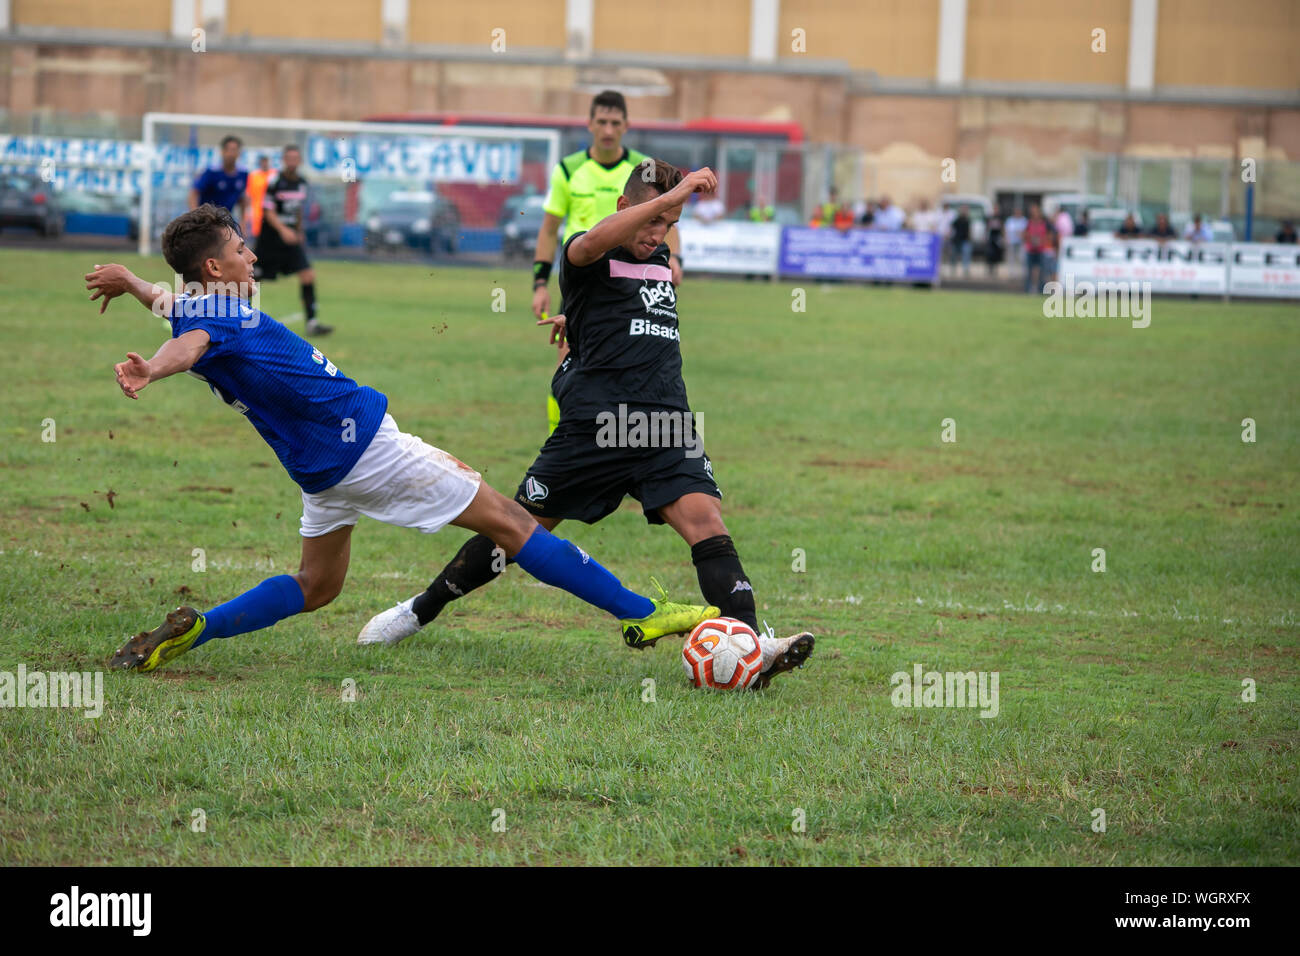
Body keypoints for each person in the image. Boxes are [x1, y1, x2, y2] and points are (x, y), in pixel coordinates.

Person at [84, 205, 716, 673]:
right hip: (367, 450)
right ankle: (640, 614)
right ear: (217, 266)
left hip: (321, 470)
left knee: (317, 586)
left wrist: (134, 285)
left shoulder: (202, 300)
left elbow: (175, 310)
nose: (253, 255)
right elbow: (187, 344)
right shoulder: (217, 314)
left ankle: (195, 630)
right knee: (514, 525)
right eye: (242, 249)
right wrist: (154, 369)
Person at [360, 160, 814, 690]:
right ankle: (419, 610)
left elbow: (622, 316)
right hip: (596, 427)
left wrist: (576, 321)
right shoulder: (585, 248)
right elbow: (592, 248)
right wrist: (678, 193)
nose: (657, 235)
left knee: (706, 522)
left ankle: (754, 652)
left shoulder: (661, 256)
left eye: (668, 224)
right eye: (652, 220)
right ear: (626, 208)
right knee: (515, 529)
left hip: (664, 424)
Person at [532, 91, 680, 437]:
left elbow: (666, 216)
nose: (609, 129)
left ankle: (628, 441)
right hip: (583, 276)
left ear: (626, 126)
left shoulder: (643, 170)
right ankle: (564, 437)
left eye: (616, 123)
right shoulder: (569, 169)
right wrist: (540, 282)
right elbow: (550, 228)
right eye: (602, 122)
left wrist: (675, 259)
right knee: (568, 360)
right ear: (590, 124)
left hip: (631, 277)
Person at [256, 144, 332, 336]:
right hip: (271, 239)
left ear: (299, 161)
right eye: (288, 158)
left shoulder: (302, 183)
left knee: (307, 275)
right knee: (253, 278)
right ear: (283, 160)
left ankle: (312, 322)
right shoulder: (275, 181)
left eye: (295, 158)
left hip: (290, 239)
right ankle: (235, 318)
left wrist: (299, 230)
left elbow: (298, 210)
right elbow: (268, 210)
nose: (291, 162)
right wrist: (282, 229)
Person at [188, 134, 247, 226]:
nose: (231, 154)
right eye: (228, 150)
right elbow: (194, 193)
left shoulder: (243, 174)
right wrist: (195, 215)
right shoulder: (211, 172)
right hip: (206, 220)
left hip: (226, 220)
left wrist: (243, 221)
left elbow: (242, 199)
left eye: (234, 150)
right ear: (222, 151)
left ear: (239, 153)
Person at [1023, 204, 1050, 294]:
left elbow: (1047, 235)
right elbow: (1025, 234)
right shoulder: (1029, 223)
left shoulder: (1043, 223)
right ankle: (1028, 289)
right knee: (1029, 271)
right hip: (1030, 249)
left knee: (1042, 271)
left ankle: (1041, 289)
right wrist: (1030, 239)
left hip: (1040, 250)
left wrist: (1041, 241)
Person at [244, 155, 273, 239]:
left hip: (272, 211)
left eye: (266, 161)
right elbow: (248, 195)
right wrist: (248, 212)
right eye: (263, 161)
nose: (265, 164)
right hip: (258, 212)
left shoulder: (274, 175)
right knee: (258, 237)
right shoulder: (254, 176)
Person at [949, 204, 972, 277]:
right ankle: (953, 270)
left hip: (965, 240)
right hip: (957, 240)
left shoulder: (968, 219)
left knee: (966, 255)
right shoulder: (957, 219)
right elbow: (952, 228)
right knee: (954, 256)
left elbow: (969, 231)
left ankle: (965, 270)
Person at [1004, 206, 1027, 274]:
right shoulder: (1010, 220)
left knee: (1021, 258)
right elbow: (1006, 230)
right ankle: (1012, 272)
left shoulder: (1024, 220)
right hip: (1011, 241)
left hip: (1021, 242)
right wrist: (1006, 238)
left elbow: (1026, 231)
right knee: (1011, 258)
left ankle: (1021, 272)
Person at [985, 208, 1004, 277]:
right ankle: (990, 268)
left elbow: (1002, 228)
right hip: (991, 238)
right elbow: (987, 228)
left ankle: (996, 269)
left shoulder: (1000, 218)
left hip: (997, 238)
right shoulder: (990, 218)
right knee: (990, 254)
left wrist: (1003, 238)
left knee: (997, 254)